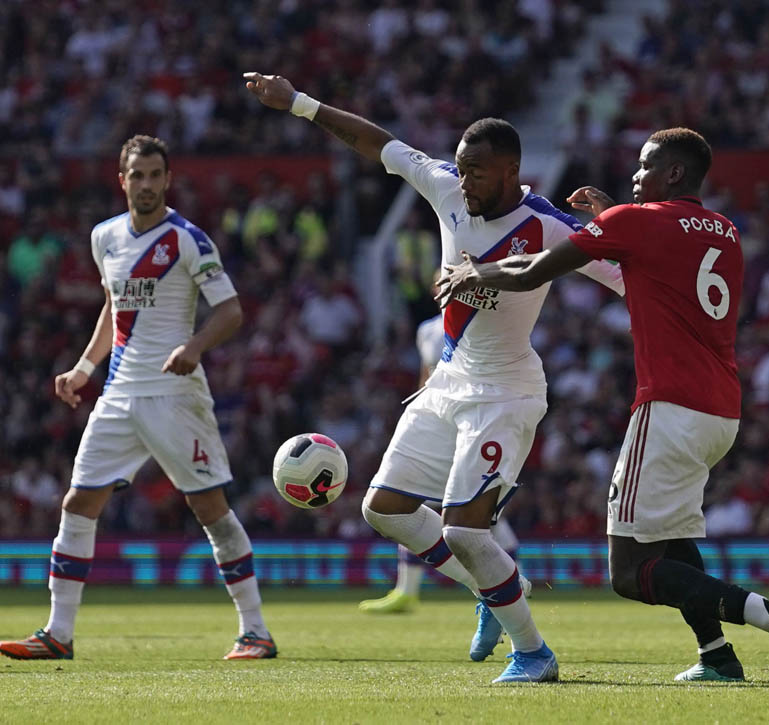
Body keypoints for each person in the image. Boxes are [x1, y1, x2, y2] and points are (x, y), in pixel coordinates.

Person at [244, 72, 625, 683]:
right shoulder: (447, 187)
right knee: (383, 508)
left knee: (464, 531)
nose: (464, 181)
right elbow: (380, 145)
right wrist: (298, 103)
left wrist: (618, 223)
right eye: (461, 168)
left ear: (511, 171)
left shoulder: (551, 226)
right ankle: (495, 589)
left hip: (505, 393)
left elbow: (629, 277)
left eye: (477, 172)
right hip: (447, 384)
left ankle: (533, 653)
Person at [436, 127, 769, 686]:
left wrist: (472, 271)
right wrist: (615, 215)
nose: (634, 174)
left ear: (673, 173)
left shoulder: (635, 222)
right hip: (720, 412)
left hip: (669, 407)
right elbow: (659, 251)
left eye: (646, 165)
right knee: (674, 542)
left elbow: (531, 269)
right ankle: (717, 655)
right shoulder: (726, 231)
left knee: (629, 571)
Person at [0, 136, 275, 662]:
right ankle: (58, 633)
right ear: (122, 180)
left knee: (209, 508)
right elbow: (114, 308)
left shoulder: (189, 239)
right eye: (137, 175)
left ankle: (255, 630)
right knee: (78, 502)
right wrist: (84, 368)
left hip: (174, 394)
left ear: (167, 179)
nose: (146, 184)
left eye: (154, 175)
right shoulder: (104, 237)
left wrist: (194, 347)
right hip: (120, 392)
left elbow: (231, 310)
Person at [358, 305, 523, 616]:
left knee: (477, 513)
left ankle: (510, 584)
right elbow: (427, 377)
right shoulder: (427, 329)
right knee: (409, 501)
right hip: (440, 420)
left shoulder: (486, 316)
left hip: (477, 416)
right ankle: (408, 590)